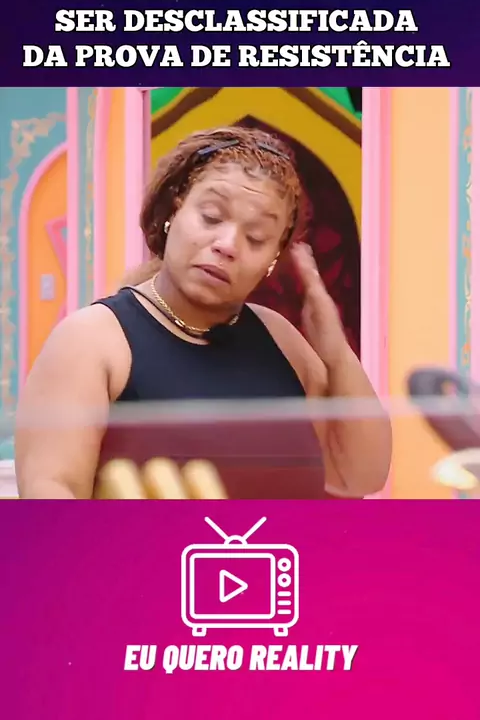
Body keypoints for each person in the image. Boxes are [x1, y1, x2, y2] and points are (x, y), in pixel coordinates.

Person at [15, 125, 391, 499]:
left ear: (274, 260)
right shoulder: (93, 340)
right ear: (173, 210)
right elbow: (53, 499)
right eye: (211, 217)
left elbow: (360, 477)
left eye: (256, 238)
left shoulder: (281, 340)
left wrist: (336, 353)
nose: (228, 245)